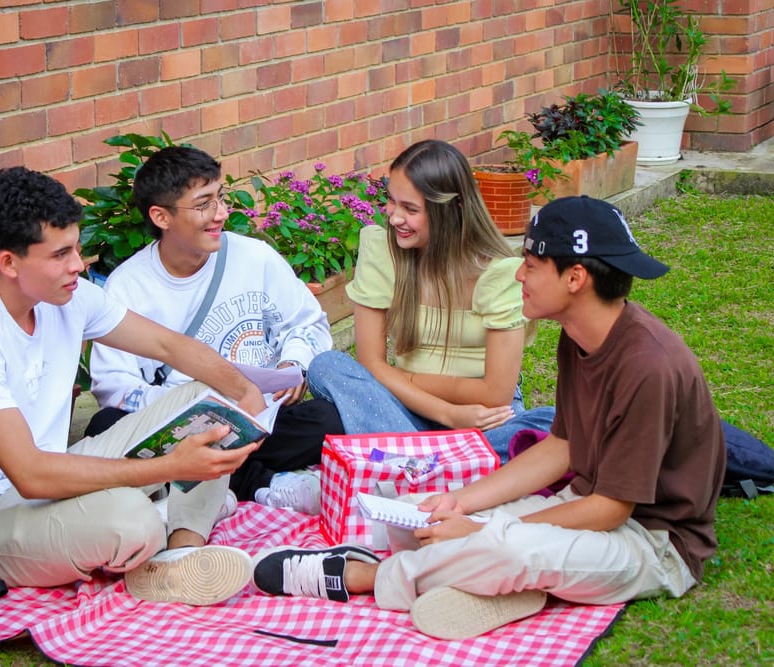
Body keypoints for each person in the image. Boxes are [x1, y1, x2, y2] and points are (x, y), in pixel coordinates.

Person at [252, 196, 726, 640]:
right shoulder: (579, 336)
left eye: (532, 264)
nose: (519, 275)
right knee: (419, 515)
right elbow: (562, 447)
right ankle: (511, 587)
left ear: (575, 278)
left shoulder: (648, 365)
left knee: (501, 545)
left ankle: (361, 575)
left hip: (654, 543)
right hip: (586, 507)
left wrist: (481, 530)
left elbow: (611, 509)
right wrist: (459, 501)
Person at [0, 166, 269, 605]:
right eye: (60, 254)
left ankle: (181, 550)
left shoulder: (67, 297)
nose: (78, 265)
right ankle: (156, 518)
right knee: (133, 522)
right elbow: (31, 475)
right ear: (9, 263)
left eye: (76, 248)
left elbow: (165, 345)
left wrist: (246, 394)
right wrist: (168, 469)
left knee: (211, 401)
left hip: (56, 475)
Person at [86, 145, 343, 514]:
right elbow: (115, 388)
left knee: (328, 419)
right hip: (182, 431)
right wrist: (187, 411)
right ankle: (263, 484)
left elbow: (308, 323)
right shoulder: (128, 287)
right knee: (104, 426)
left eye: (220, 198)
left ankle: (210, 490)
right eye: (204, 204)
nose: (221, 213)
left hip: (262, 418)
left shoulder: (256, 257)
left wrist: (294, 364)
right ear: (161, 216)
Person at [305, 140, 553, 461]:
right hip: (406, 406)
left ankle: (410, 460)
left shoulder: (499, 273)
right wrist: (448, 414)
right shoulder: (382, 250)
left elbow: (495, 394)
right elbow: (370, 363)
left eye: (410, 209)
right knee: (327, 365)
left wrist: (403, 378)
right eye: (391, 201)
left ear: (453, 209)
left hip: (481, 418)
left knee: (552, 423)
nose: (394, 217)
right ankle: (445, 463)